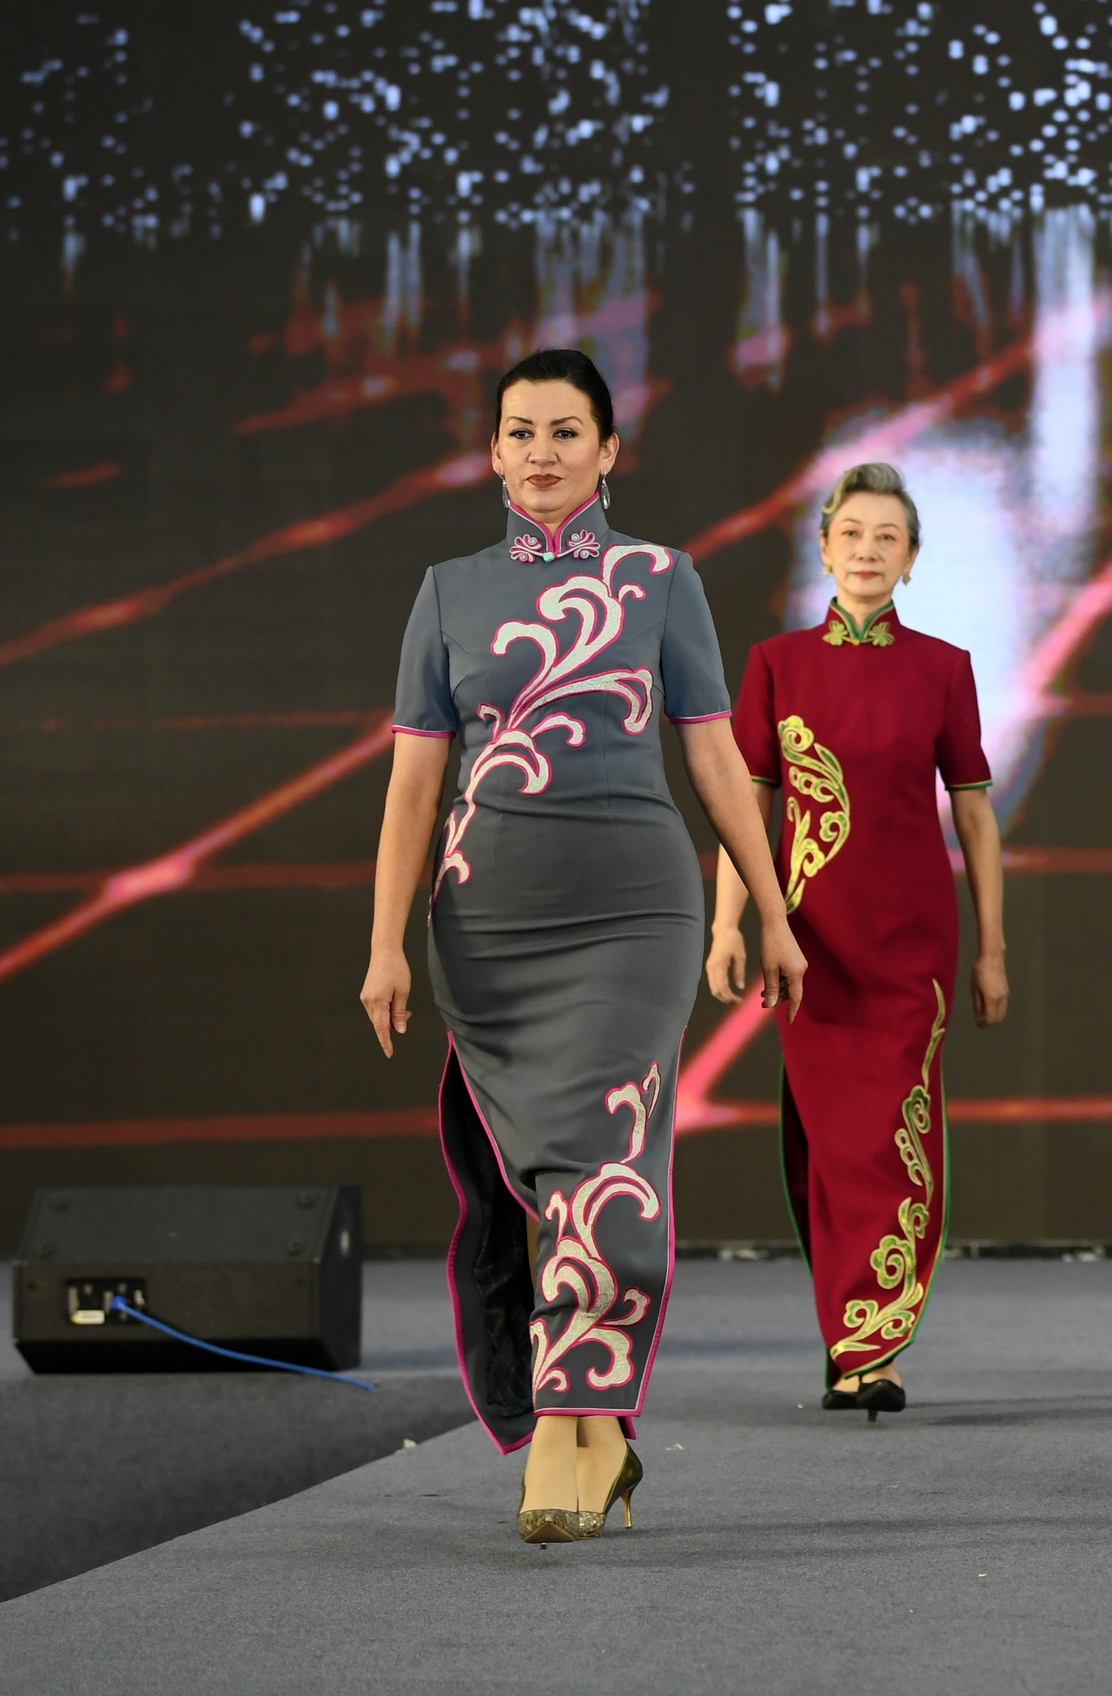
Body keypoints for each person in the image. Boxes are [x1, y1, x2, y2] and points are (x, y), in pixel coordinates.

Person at [362, 348, 807, 1544]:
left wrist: (766, 905)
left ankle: (570, 1426)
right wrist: (386, 946)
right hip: (488, 927)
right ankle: (596, 1434)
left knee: (608, 1164)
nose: (543, 452)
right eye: (521, 431)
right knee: (537, 1181)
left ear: (610, 450)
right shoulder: (446, 590)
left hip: (636, 916)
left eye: (568, 431)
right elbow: (412, 791)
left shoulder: (663, 578)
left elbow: (715, 756)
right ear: (493, 450)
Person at [708, 462, 1008, 1419]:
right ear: (826, 546)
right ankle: (848, 1332)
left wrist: (992, 950)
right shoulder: (775, 664)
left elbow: (976, 821)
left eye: (889, 537)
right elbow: (746, 807)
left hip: (911, 941)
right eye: (852, 533)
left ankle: (870, 1348)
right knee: (832, 1144)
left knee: (893, 1141)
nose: (868, 550)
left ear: (911, 559)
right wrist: (731, 922)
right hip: (809, 945)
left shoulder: (944, 669)